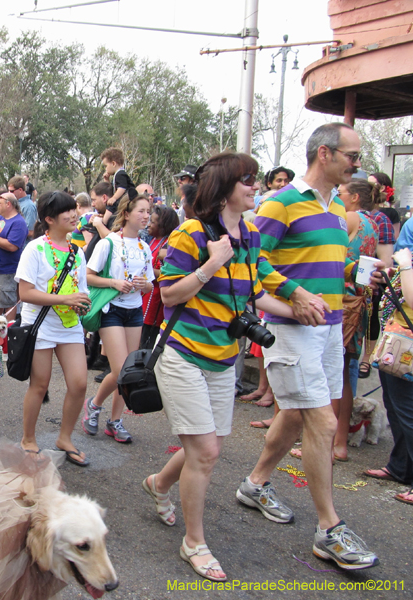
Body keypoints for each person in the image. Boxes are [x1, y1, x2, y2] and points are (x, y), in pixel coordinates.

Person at [145, 152, 297, 582]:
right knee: (206, 452)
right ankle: (194, 542)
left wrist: (297, 307)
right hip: (182, 354)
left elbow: (254, 292)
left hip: (224, 357)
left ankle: (159, 483)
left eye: (256, 179)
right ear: (224, 187)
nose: (255, 186)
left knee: (208, 448)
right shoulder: (190, 234)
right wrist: (212, 263)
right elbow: (170, 295)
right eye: (247, 179)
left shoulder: (250, 233)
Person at [236, 123, 378, 571]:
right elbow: (250, 257)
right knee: (321, 420)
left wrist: (357, 271)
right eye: (352, 155)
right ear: (324, 153)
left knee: (298, 414)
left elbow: (323, 260)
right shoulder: (280, 203)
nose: (358, 164)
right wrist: (294, 295)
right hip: (291, 329)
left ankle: (255, 483)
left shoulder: (335, 207)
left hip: (330, 328)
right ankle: (329, 529)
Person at [16, 191, 91, 464]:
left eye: (74, 210)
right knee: (40, 384)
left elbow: (82, 291)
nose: (74, 215)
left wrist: (83, 304)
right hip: (39, 325)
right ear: (49, 219)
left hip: (69, 324)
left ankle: (65, 438)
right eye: (67, 212)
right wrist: (64, 299)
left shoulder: (77, 251)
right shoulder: (34, 249)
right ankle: (28, 438)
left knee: (80, 383)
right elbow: (24, 292)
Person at [82, 194, 154, 443]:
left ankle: (115, 421)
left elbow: (149, 287)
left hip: (134, 311)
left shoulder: (145, 248)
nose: (146, 216)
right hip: (110, 308)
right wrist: (114, 282)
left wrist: (144, 285)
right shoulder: (108, 243)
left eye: (149, 211)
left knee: (130, 371)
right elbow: (87, 276)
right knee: (120, 369)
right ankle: (94, 404)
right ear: (126, 214)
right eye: (141, 211)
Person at [331, 178, 379, 461]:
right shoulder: (372, 223)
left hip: (343, 300)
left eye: (342, 193)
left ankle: (329, 442)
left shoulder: (347, 218)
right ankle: (340, 442)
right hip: (360, 302)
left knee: (333, 376)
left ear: (355, 198)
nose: (338, 196)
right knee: (344, 378)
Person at [363, 246, 413, 506]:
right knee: (396, 408)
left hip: (406, 347)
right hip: (396, 344)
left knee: (408, 412)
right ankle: (400, 467)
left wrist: (404, 266)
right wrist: (395, 274)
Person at [359, 182, 394, 379]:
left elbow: (386, 259)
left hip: (369, 278)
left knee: (371, 318)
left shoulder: (381, 219)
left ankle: (367, 357)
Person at [139, 204, 179, 349]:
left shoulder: (169, 244)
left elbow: (167, 273)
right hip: (144, 299)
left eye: (152, 222)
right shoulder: (153, 240)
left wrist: (144, 270)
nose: (148, 225)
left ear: (163, 225)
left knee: (146, 346)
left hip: (155, 305)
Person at [0, 193, 28, 317]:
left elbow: (12, 246)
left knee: (8, 304)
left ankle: (8, 333)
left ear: (8, 204)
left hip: (7, 270)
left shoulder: (18, 222)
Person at [100, 147, 136, 226]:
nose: (106, 169)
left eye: (106, 166)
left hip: (128, 199)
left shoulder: (120, 174)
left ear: (113, 163)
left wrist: (114, 198)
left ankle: (103, 223)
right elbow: (113, 190)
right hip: (123, 199)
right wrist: (107, 180)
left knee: (111, 205)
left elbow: (122, 189)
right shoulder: (117, 175)